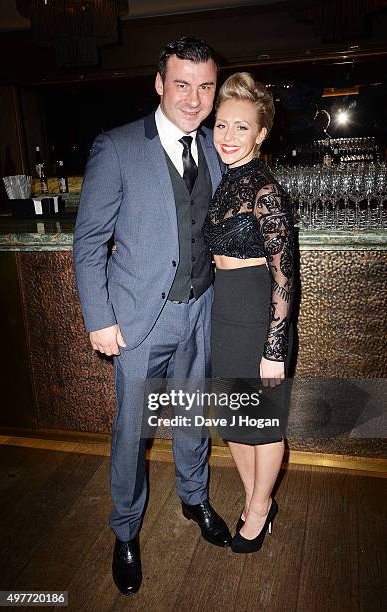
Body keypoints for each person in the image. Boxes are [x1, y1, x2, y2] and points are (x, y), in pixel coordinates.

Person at [73, 37, 232, 597]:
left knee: (192, 414)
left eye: (206, 86)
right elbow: (89, 241)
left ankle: (194, 498)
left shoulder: (218, 146)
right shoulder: (116, 147)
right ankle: (125, 531)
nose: (194, 98)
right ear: (159, 83)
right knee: (132, 431)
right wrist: (99, 316)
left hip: (202, 310)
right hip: (140, 317)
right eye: (182, 84)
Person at [203, 72, 295, 553]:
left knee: (263, 425)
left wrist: (274, 347)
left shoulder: (267, 193)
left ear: (261, 134)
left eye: (242, 127)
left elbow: (285, 277)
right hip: (225, 316)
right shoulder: (223, 185)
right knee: (235, 421)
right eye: (222, 125)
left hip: (261, 318)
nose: (228, 137)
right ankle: (253, 495)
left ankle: (259, 509)